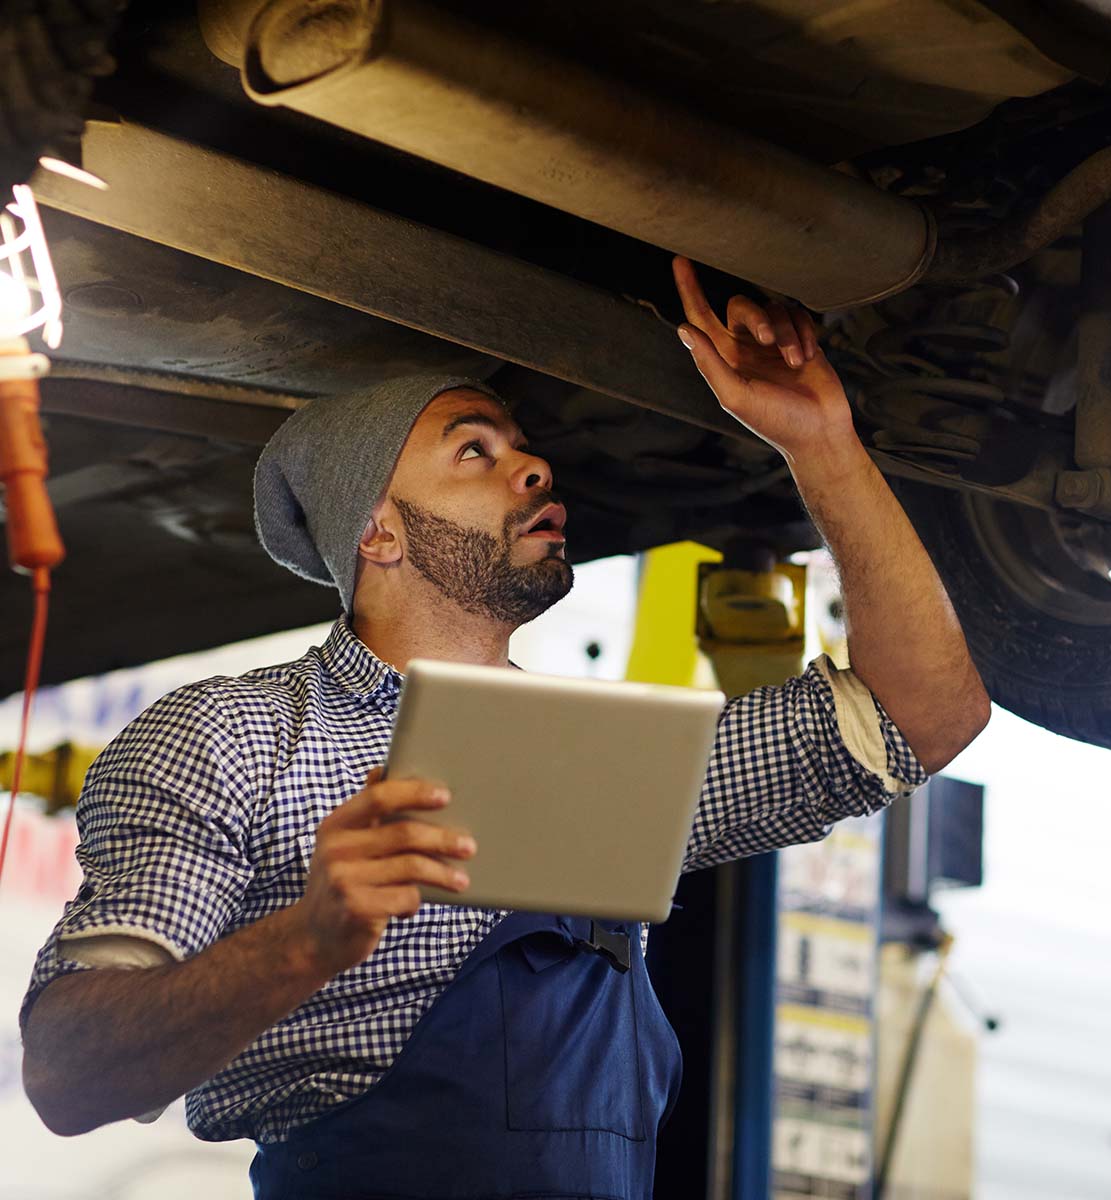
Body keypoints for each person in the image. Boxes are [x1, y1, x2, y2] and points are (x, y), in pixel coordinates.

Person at [19, 259, 990, 1198]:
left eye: (524, 447)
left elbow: (928, 714)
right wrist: (308, 939)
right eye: (474, 450)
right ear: (379, 532)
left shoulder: (602, 766)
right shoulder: (234, 735)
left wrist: (821, 440)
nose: (532, 466)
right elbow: (69, 1073)